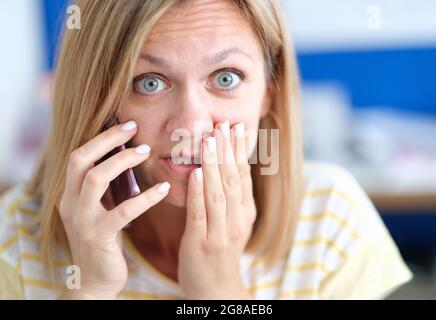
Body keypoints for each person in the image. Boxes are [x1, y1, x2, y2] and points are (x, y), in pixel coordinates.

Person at [0, 0, 412, 300]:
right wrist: (90, 289)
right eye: (149, 82)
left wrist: (219, 292)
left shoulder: (330, 221)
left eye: (226, 78)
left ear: (268, 93)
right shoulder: (16, 234)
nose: (192, 126)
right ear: (100, 101)